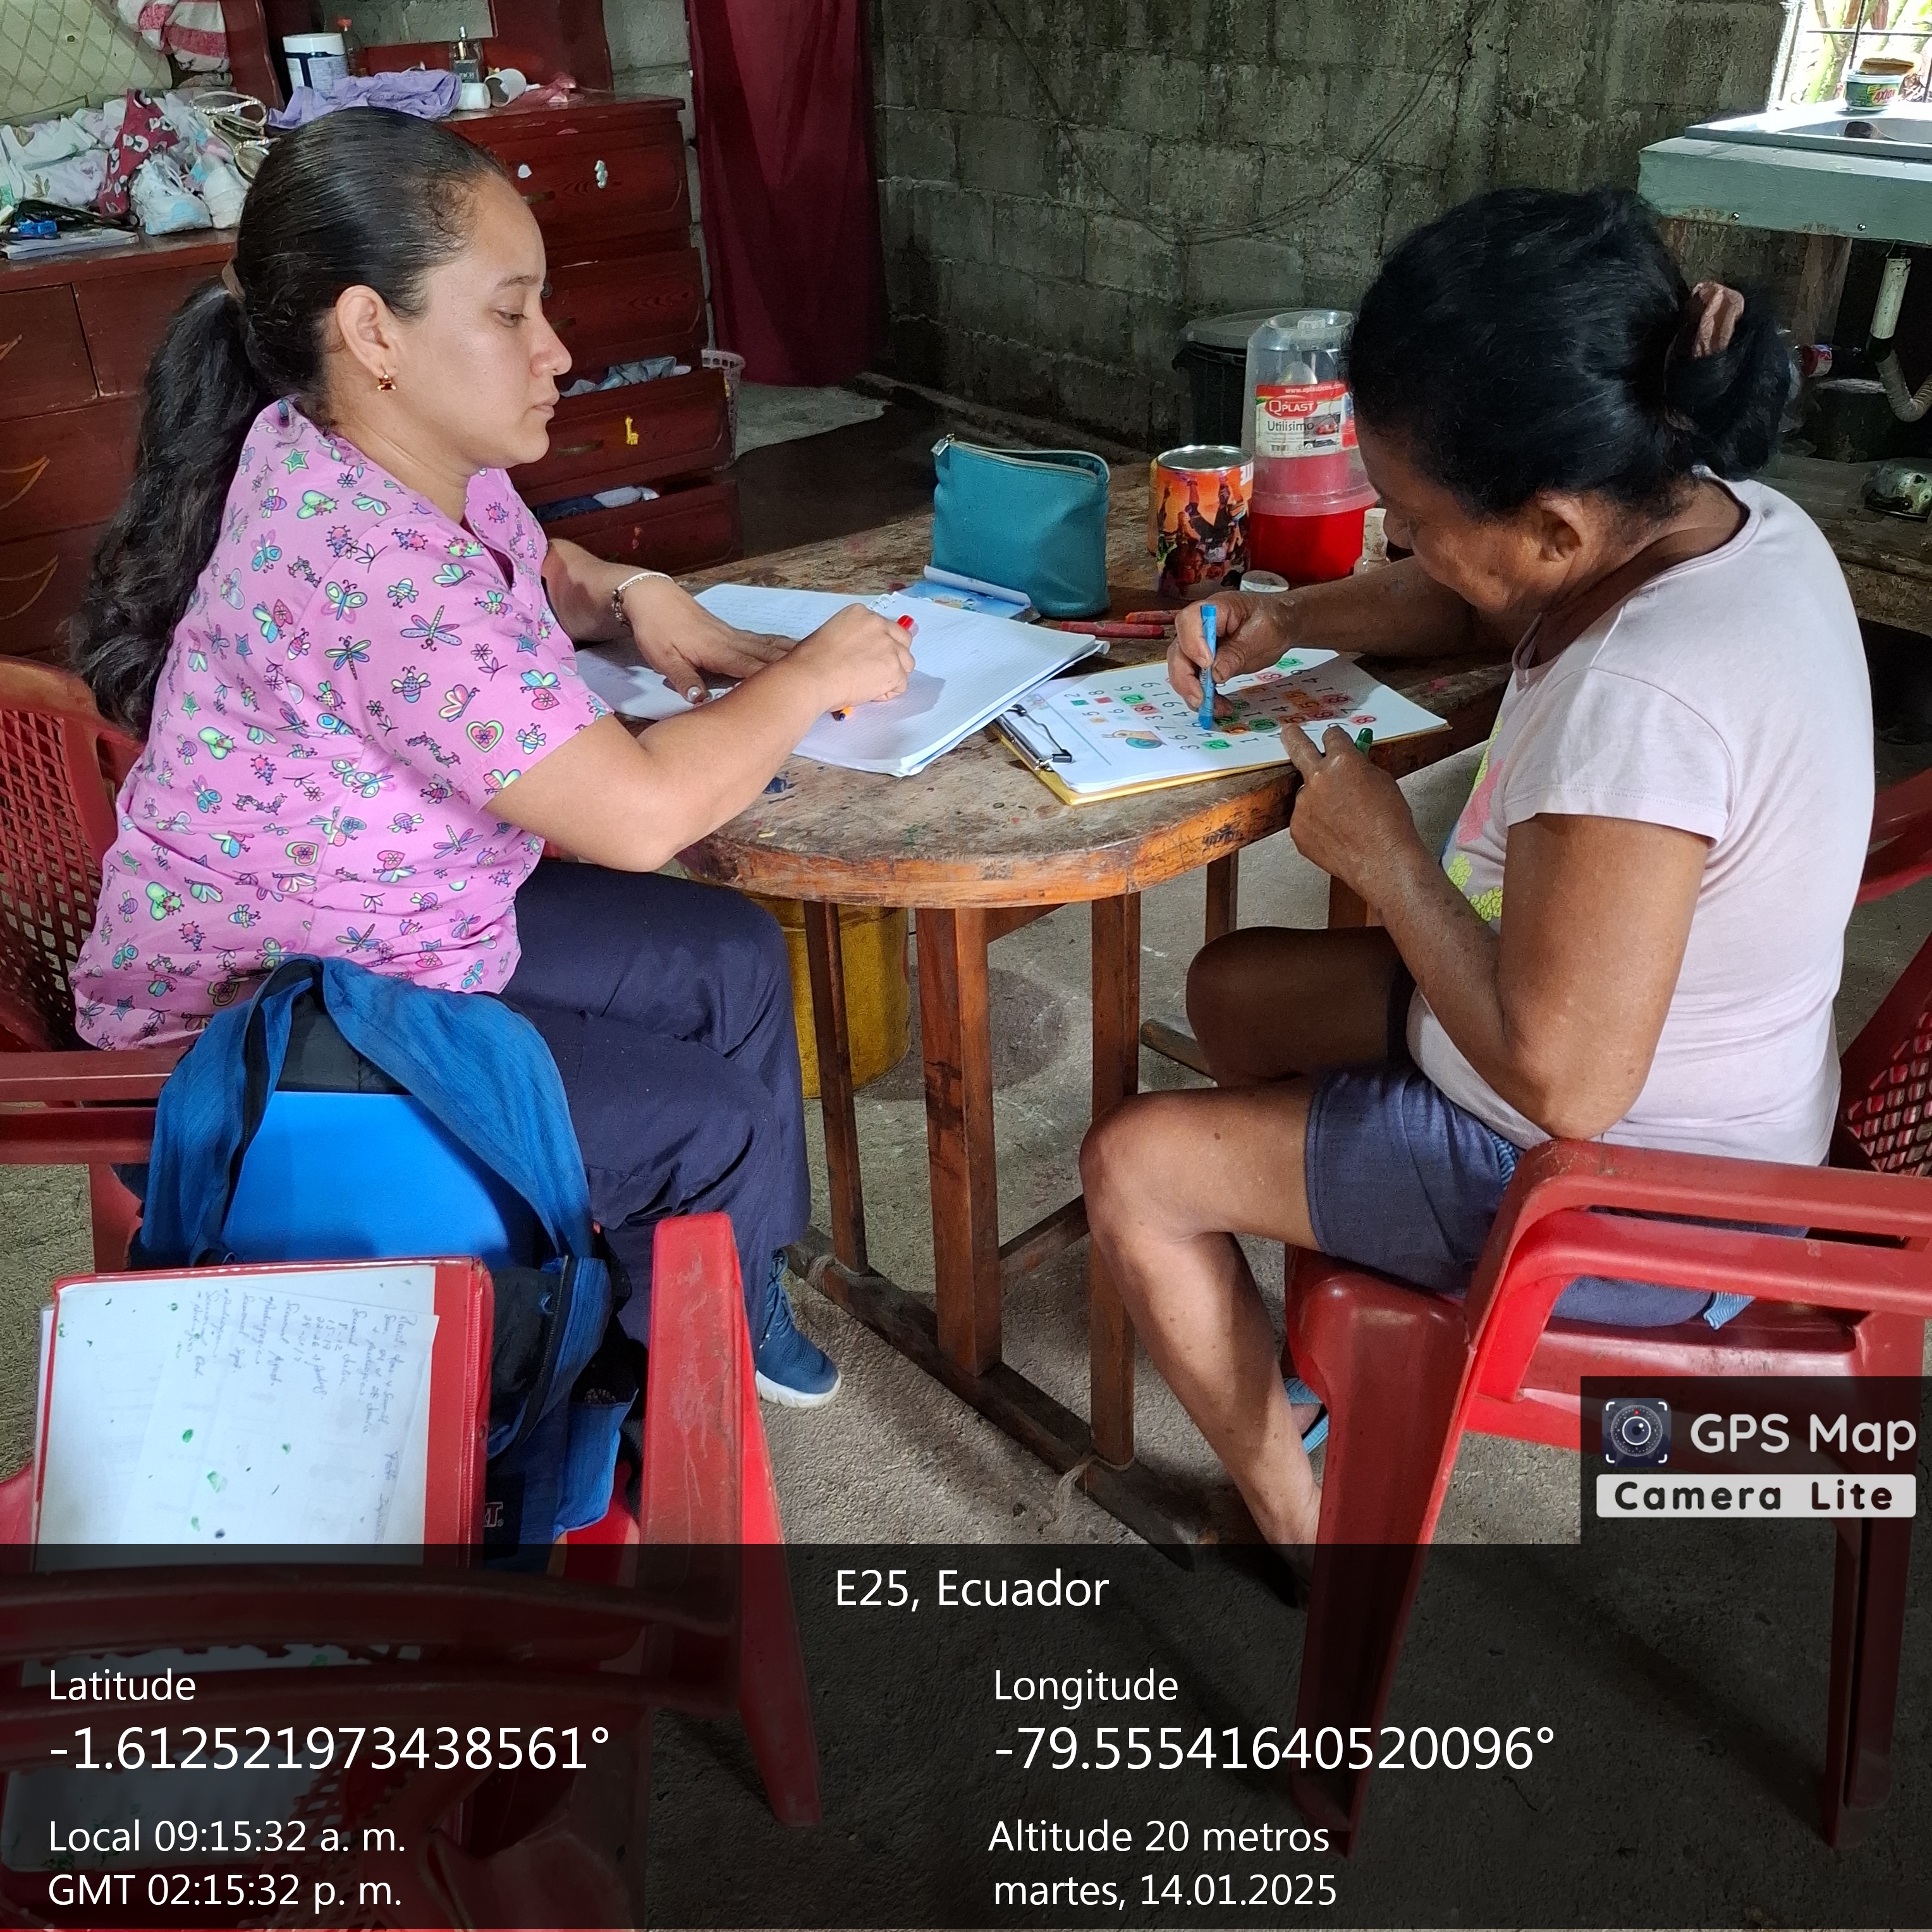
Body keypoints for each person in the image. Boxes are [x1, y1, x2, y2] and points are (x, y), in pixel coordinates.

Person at [67, 108, 915, 1408]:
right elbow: (637, 815)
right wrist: (810, 676)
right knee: (712, 1123)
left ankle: (722, 1284)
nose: (556, 350)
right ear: (373, 333)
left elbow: (542, 568)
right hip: (272, 1036)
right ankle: (656, 1354)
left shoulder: (390, 452)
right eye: (511, 313)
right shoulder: (367, 562)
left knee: (734, 958)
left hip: (389, 931)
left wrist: (637, 593)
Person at [1080, 187, 1871, 1549]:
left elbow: (1568, 1084)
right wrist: (1294, 615)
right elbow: (1475, 593)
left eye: (1409, 512)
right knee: (1233, 991)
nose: (1397, 540)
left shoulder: (1647, 698)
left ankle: (1303, 1519)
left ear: (1553, 526)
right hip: (1658, 1087)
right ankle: (1332, 1270)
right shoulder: (1701, 514)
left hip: (1620, 1198)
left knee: (1133, 1169)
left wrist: (1388, 860)